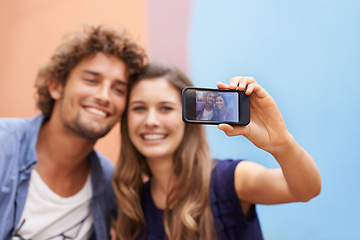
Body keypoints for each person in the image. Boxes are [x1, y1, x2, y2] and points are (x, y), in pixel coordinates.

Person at [111, 62, 322, 240]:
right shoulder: (132, 204)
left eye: (166, 108)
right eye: (139, 108)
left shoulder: (228, 179)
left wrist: (281, 143)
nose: (151, 121)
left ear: (190, 117)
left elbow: (306, 189)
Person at [0, 24, 146, 239]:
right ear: (56, 86)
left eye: (118, 89)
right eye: (91, 80)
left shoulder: (110, 185)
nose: (104, 97)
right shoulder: (4, 145)